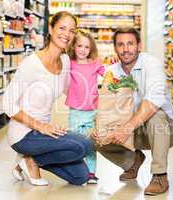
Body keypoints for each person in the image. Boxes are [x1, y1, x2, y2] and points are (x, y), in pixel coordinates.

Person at [2, 11, 92, 186]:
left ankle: (31, 160)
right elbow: (7, 105)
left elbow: (70, 90)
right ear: (51, 29)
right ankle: (29, 159)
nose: (67, 34)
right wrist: (40, 126)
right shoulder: (31, 64)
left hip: (45, 131)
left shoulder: (65, 61)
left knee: (80, 176)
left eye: (72, 31)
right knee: (83, 146)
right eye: (62, 28)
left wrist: (101, 78)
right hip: (24, 134)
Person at [92, 27, 173, 195]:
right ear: (115, 48)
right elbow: (108, 107)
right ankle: (132, 162)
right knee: (93, 136)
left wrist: (126, 128)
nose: (126, 49)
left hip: (163, 131)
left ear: (139, 45)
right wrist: (101, 127)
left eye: (130, 44)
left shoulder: (151, 64)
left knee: (156, 115)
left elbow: (154, 101)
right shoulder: (111, 72)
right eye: (121, 45)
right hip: (130, 130)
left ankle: (160, 175)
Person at [65, 30, 105, 184]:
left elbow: (107, 75)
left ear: (91, 49)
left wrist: (115, 68)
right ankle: (75, 170)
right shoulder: (70, 64)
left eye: (86, 47)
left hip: (92, 110)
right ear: (73, 46)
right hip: (76, 110)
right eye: (79, 46)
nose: (82, 50)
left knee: (90, 142)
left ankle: (91, 173)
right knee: (75, 142)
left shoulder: (95, 63)